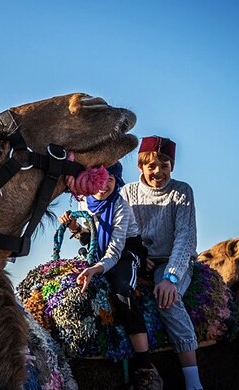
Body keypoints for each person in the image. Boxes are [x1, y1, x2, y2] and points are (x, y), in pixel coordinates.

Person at [60, 162, 163, 390]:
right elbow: (91, 238)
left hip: (125, 253)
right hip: (96, 255)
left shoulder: (120, 207)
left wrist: (96, 269)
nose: (104, 185)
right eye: (100, 178)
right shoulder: (84, 202)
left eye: (111, 179)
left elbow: (115, 250)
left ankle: (145, 366)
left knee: (123, 292)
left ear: (117, 182)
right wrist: (75, 228)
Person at [120, 136, 203, 390]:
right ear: (141, 167)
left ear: (172, 166)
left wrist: (171, 277)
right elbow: (122, 231)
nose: (158, 172)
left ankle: (193, 381)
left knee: (167, 299)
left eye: (164, 166)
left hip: (173, 259)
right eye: (152, 166)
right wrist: (138, 256)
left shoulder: (182, 192)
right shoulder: (128, 193)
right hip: (140, 259)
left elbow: (185, 237)